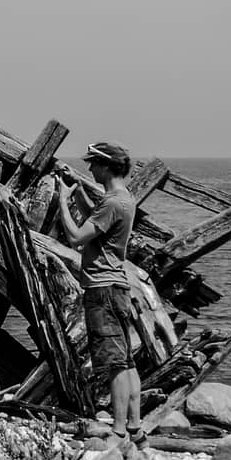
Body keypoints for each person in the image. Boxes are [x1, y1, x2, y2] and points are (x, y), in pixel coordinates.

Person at [55, 141, 141, 441]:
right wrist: (77, 188)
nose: (90, 168)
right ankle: (134, 425)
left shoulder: (112, 203)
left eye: (93, 164)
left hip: (101, 289)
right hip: (117, 286)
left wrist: (62, 200)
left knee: (114, 362)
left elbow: (78, 237)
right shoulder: (122, 199)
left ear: (106, 167)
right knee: (127, 360)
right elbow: (97, 221)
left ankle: (117, 429)